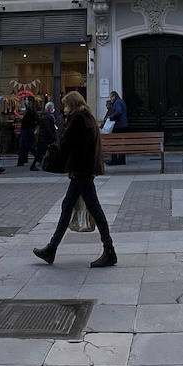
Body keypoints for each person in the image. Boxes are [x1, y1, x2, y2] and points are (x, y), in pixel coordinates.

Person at [33, 92, 117, 267]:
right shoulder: (87, 117)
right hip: (83, 169)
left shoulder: (78, 119)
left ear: (72, 104)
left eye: (65, 105)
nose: (64, 109)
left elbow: (66, 143)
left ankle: (109, 250)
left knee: (93, 208)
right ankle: (51, 249)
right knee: (68, 206)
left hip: (81, 170)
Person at [32, 100, 59, 170]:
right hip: (45, 137)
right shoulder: (47, 117)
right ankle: (36, 165)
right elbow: (48, 128)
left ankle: (38, 164)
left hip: (44, 137)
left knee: (42, 151)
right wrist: (52, 136)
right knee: (42, 152)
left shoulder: (46, 116)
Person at [104, 90, 128, 165]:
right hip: (123, 125)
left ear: (114, 96)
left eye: (111, 97)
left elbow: (118, 112)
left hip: (119, 126)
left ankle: (115, 160)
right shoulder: (121, 101)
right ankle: (121, 160)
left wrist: (110, 117)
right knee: (121, 143)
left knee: (114, 143)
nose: (111, 99)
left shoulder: (117, 102)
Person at [17, 95, 39, 167]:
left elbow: (35, 120)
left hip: (28, 130)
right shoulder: (29, 110)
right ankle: (21, 161)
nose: (25, 101)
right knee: (23, 146)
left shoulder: (31, 111)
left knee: (29, 146)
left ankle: (40, 158)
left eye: (26, 100)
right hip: (26, 129)